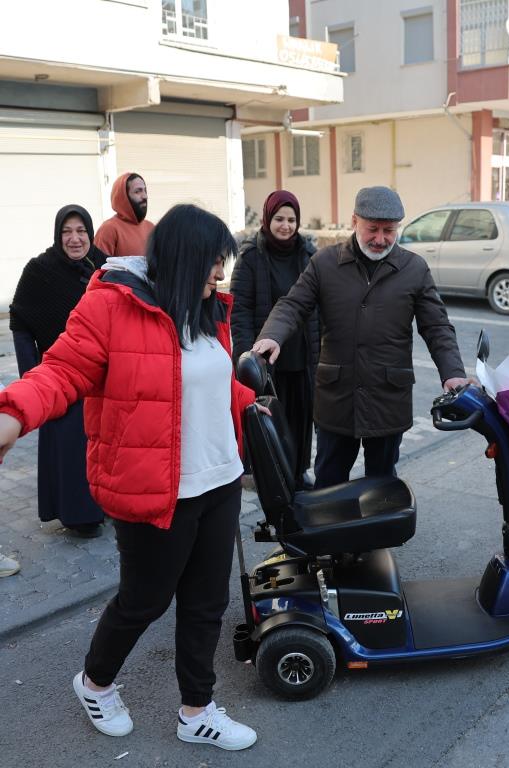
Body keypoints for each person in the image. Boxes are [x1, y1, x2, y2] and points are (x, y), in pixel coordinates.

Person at [0, 204, 259, 751]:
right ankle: (94, 682)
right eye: (214, 263)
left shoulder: (205, 309)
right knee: (144, 600)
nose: (220, 274)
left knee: (206, 603)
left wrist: (247, 401)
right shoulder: (110, 306)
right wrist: (13, 412)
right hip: (153, 488)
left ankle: (197, 710)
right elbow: (62, 370)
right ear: (184, 259)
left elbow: (199, 383)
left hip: (219, 480)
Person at [252, 186, 469, 488]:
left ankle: (377, 534)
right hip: (336, 398)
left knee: (382, 485)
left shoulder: (414, 268)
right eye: (372, 229)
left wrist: (453, 373)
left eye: (389, 231)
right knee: (328, 481)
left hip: (387, 397)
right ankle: (329, 535)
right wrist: (273, 335)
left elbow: (437, 327)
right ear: (354, 221)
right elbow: (293, 304)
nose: (380, 239)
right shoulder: (325, 263)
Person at [9, 204, 107, 537]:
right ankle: (77, 515)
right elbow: (20, 321)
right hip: (60, 376)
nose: (75, 239)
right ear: (57, 234)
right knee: (69, 448)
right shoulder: (40, 270)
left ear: (90, 234)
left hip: (102, 376)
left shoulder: (104, 267)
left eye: (81, 231)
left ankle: (106, 506)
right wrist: (30, 374)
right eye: (67, 232)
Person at [230, 190, 319, 490]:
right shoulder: (251, 256)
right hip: (264, 357)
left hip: (301, 354)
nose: (285, 225)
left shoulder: (308, 255)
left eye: (292, 219)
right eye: (279, 218)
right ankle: (272, 474)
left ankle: (298, 470)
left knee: (301, 417)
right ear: (268, 219)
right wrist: (245, 358)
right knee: (270, 418)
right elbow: (240, 310)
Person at [94, 172, 154, 256]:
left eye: (145, 190)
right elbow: (100, 266)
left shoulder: (151, 227)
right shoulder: (108, 229)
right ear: (123, 197)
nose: (145, 196)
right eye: (137, 191)